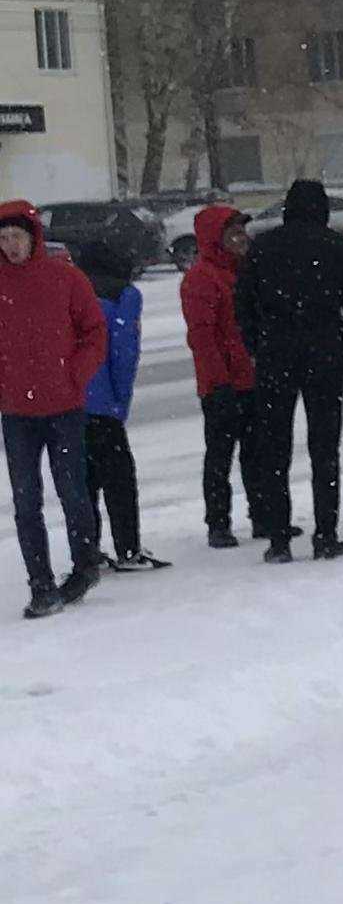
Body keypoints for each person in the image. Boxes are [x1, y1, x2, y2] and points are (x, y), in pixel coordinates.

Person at [235, 180, 343, 563]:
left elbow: (243, 305)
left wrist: (258, 346)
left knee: (275, 449)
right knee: (325, 448)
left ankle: (278, 538)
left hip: (276, 355)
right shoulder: (338, 248)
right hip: (323, 355)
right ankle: (326, 533)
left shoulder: (263, 249)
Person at [0, 199, 107, 619]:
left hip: (63, 407)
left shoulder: (64, 278)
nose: (10, 246)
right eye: (3, 238)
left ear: (33, 238)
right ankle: (41, 584)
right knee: (26, 502)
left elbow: (94, 331)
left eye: (16, 237)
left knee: (72, 492)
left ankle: (85, 565)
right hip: (16, 413)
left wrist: (74, 376)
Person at [75, 239, 167, 571]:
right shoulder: (124, 296)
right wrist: (119, 402)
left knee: (84, 482)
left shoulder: (74, 293)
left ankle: (87, 550)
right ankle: (128, 549)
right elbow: (123, 354)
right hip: (104, 403)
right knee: (120, 479)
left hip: (73, 401)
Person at [181, 203, 267, 549]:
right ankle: (218, 522)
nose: (241, 238)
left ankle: (263, 516)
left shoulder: (245, 270)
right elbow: (202, 337)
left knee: (257, 453)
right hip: (223, 385)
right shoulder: (202, 279)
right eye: (233, 233)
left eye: (242, 231)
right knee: (220, 455)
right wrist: (221, 383)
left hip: (252, 377)